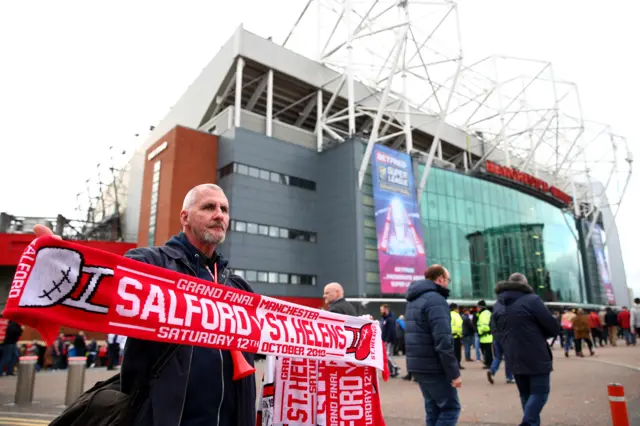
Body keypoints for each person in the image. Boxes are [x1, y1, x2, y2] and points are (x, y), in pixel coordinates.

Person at [33, 183, 256, 426]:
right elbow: (105, 283)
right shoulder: (150, 264)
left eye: (224, 209)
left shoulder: (238, 287)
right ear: (185, 216)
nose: (219, 215)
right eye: (209, 207)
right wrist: (65, 265)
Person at [491, 273, 561, 426]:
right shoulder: (532, 300)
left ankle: (532, 423)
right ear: (525, 284)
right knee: (540, 392)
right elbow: (553, 327)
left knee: (525, 393)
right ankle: (528, 423)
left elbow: (494, 331)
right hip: (535, 353)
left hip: (512, 354)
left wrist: (507, 343)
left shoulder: (498, 304)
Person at [405, 265, 462, 426]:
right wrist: (454, 373)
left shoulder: (414, 299)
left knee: (433, 409)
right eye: (447, 280)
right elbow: (443, 340)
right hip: (434, 365)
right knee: (450, 409)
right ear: (440, 279)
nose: (447, 284)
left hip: (419, 365)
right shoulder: (436, 300)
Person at [380, 304, 400, 377]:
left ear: (386, 309)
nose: (381, 311)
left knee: (388, 355)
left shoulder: (390, 319)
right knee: (387, 355)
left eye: (382, 309)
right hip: (385, 340)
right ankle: (392, 371)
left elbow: (390, 331)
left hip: (389, 341)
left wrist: (387, 340)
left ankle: (396, 368)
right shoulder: (384, 318)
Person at [476, 300, 493, 369]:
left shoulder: (484, 314)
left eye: (478, 307)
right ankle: (488, 362)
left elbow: (485, 325)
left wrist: (482, 332)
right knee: (487, 350)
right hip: (486, 336)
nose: (477, 308)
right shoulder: (486, 313)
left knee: (486, 351)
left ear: (481, 307)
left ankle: (488, 363)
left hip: (485, 335)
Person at [450, 303, 464, 369]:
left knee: (451, 352)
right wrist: (460, 334)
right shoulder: (456, 315)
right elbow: (459, 326)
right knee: (457, 352)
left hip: (450, 336)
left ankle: (451, 365)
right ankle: (457, 364)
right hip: (456, 336)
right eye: (458, 308)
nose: (458, 310)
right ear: (455, 309)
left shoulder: (448, 314)